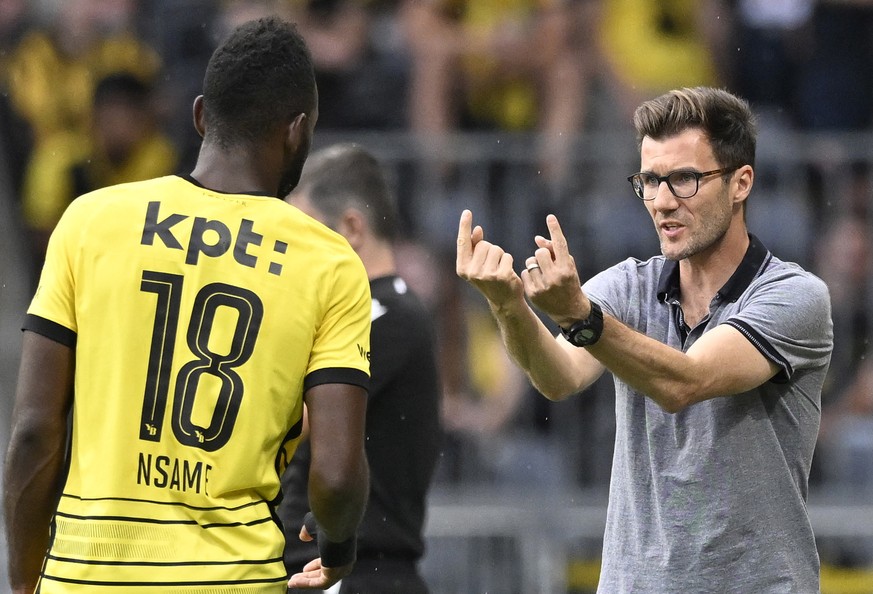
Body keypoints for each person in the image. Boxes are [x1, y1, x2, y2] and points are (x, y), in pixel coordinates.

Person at [4, 16, 371, 594]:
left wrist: (26, 581)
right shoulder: (328, 262)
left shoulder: (89, 222)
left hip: (85, 576)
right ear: (298, 131)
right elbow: (337, 475)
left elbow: (33, 433)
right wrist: (339, 548)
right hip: (231, 578)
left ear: (201, 116)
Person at [456, 86, 834, 591]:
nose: (661, 201)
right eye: (650, 181)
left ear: (742, 182)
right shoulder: (627, 284)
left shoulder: (796, 297)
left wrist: (580, 316)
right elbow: (556, 376)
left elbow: (687, 382)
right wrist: (508, 305)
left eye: (684, 179)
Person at [281, 143, 442, 594]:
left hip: (356, 573)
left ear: (351, 227)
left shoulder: (388, 317)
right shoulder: (368, 316)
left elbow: (283, 421)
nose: (292, 255)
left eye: (305, 233)